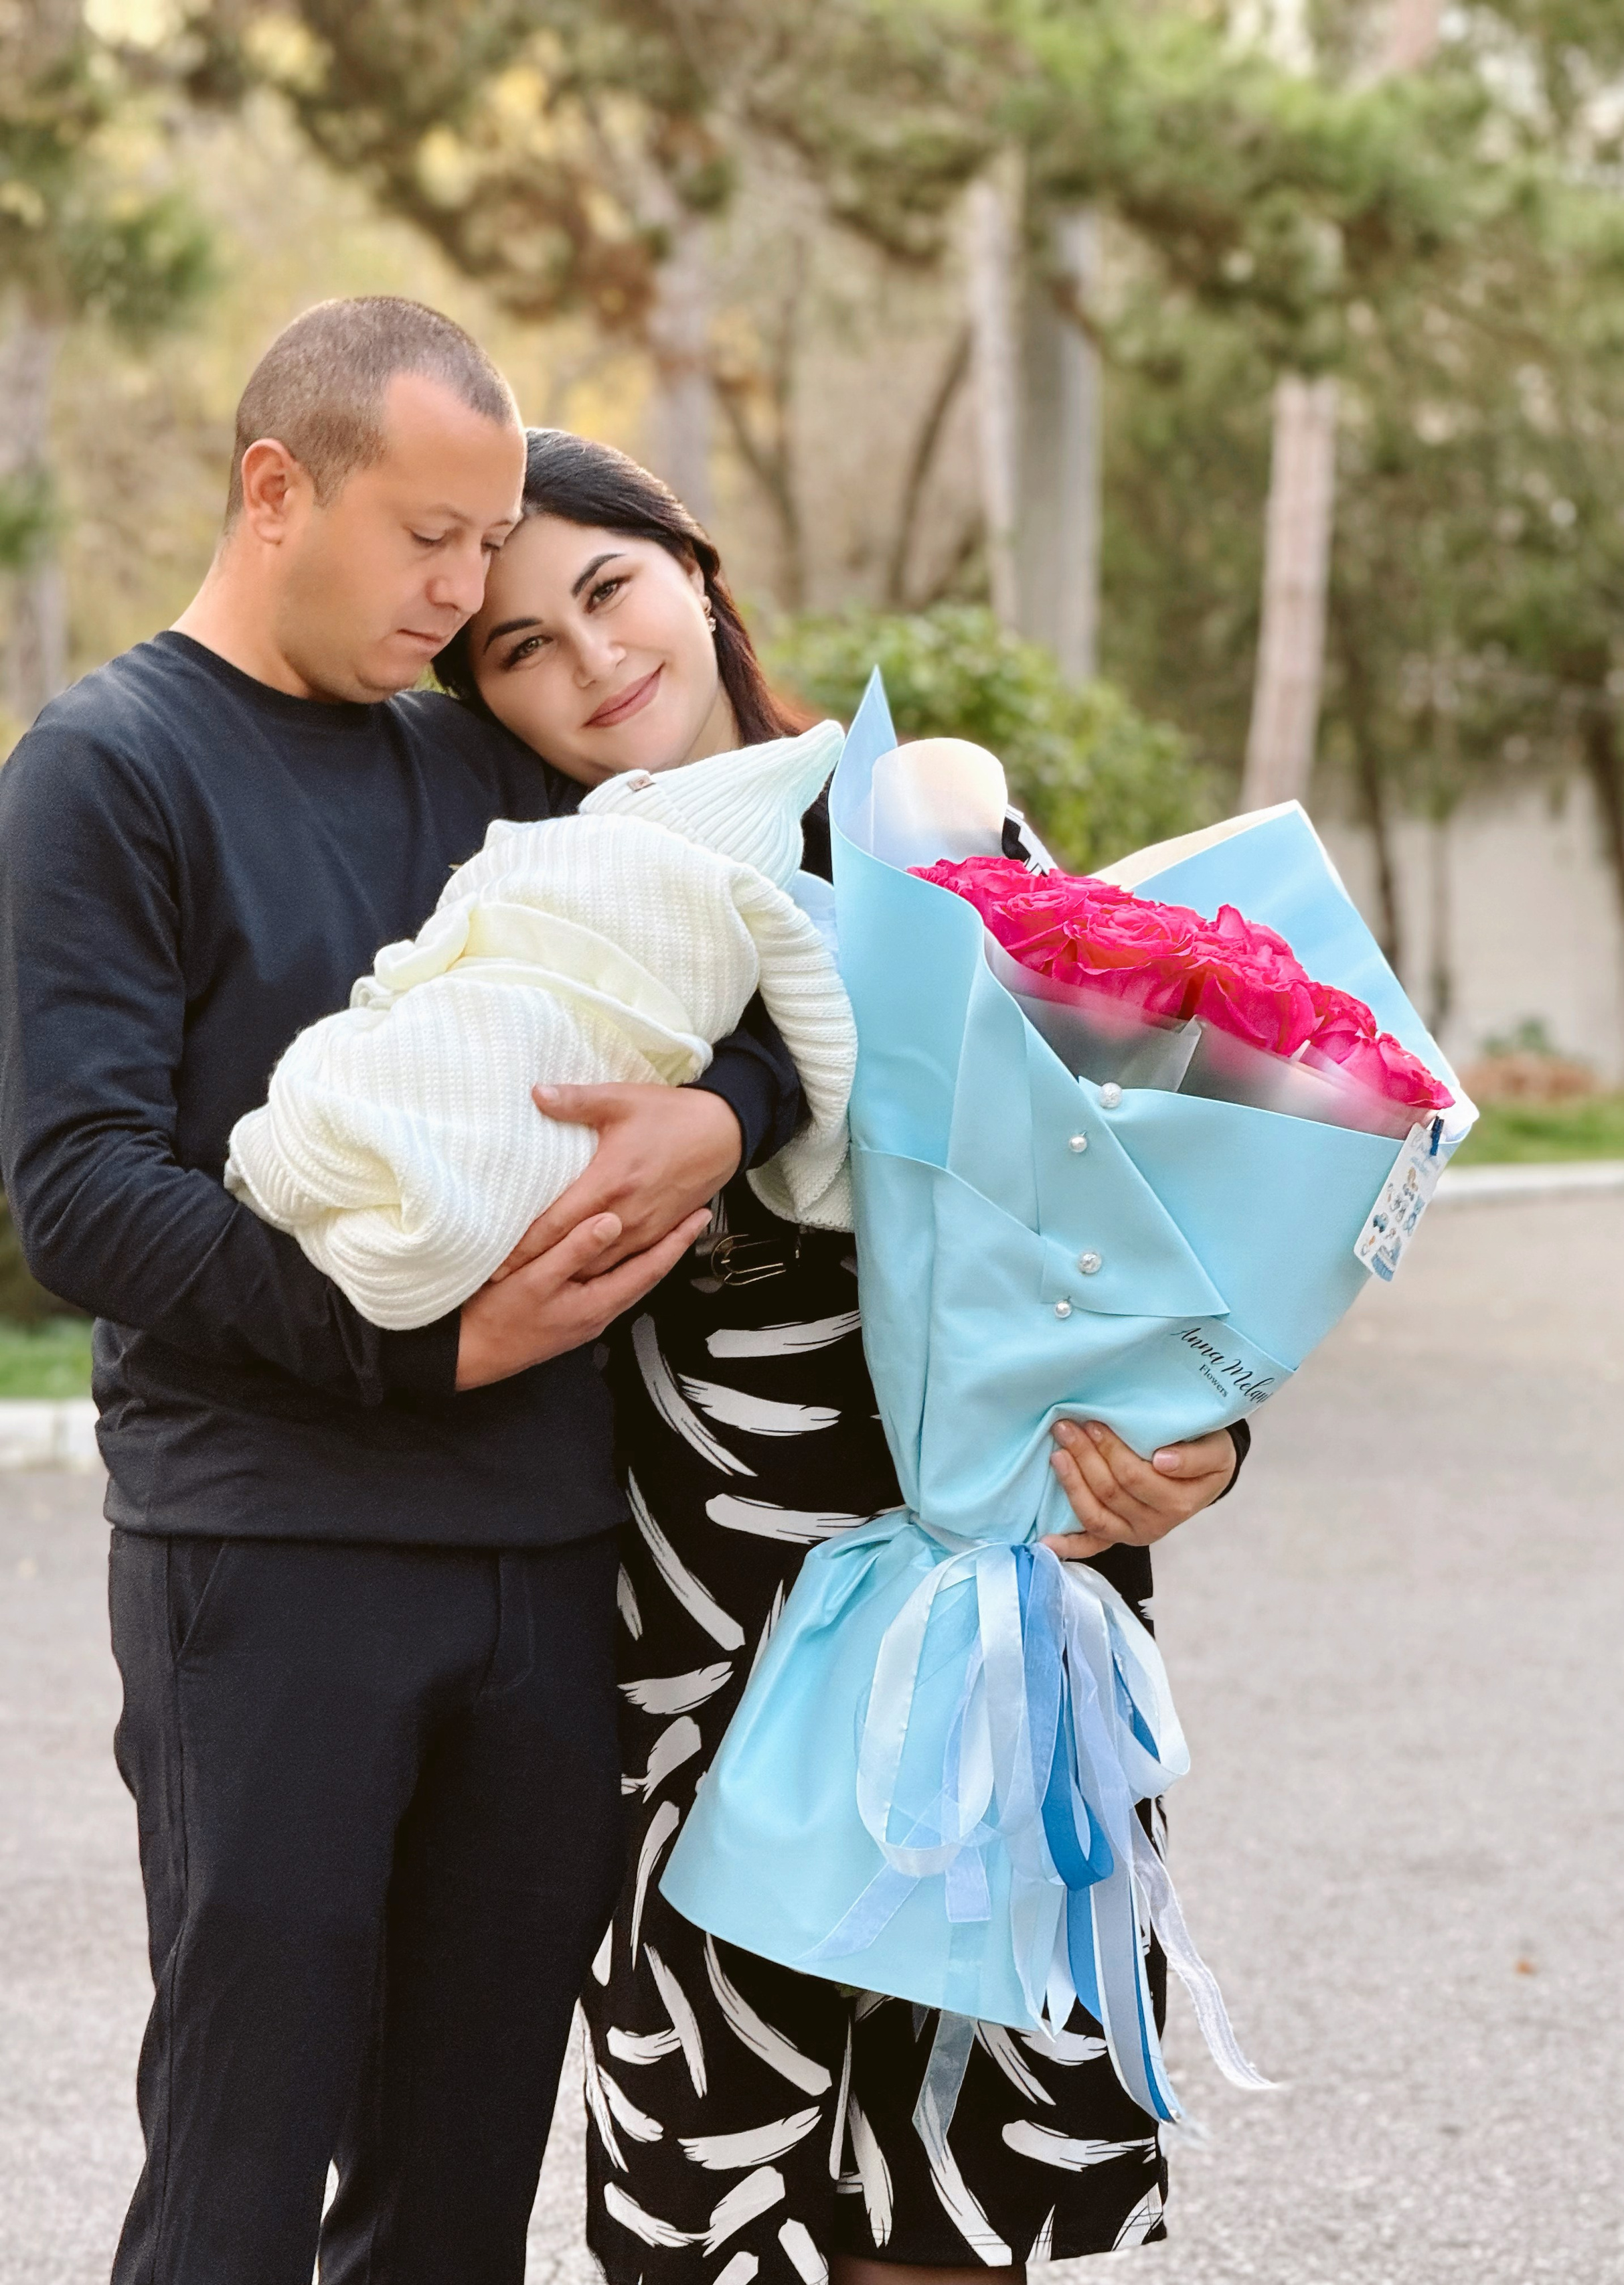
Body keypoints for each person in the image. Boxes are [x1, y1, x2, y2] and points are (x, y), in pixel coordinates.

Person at [0, 301, 806, 2285]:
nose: (468, 596)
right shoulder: (103, 773)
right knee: (239, 2177)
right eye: (430, 539)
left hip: (548, 1559)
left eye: (494, 547)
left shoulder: (490, 762)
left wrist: (724, 1115)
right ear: (279, 490)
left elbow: (754, 957)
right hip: (268, 1561)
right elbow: (79, 1196)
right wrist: (413, 1341)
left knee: (456, 2204)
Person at [437, 429, 1252, 2282]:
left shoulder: (945, 831)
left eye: (608, 589)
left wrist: (1204, 1444)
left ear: (695, 570)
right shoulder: (527, 935)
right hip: (708, 1676)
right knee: (735, 2205)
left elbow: (1149, 1212)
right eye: (518, 648)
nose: (592, 660)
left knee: (977, 2204)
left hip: (1014, 1640)